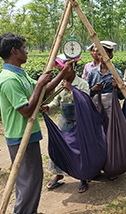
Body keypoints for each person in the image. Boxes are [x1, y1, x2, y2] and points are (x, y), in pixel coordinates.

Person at [0, 32, 74, 214]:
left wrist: (62, 72)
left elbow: (44, 90)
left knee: (32, 179)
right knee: (28, 181)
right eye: (23, 48)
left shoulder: (20, 75)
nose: (27, 52)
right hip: (20, 136)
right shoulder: (9, 79)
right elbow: (26, 110)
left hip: (29, 135)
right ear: (14, 51)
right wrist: (38, 85)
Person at [41, 54, 90, 193]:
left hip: (78, 123)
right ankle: (58, 174)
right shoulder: (60, 84)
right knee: (61, 148)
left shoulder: (82, 84)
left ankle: (83, 178)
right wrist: (48, 107)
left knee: (80, 150)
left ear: (72, 68)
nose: (60, 73)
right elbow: (56, 101)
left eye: (63, 69)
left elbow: (86, 102)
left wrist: (71, 90)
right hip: (64, 122)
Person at [86, 41, 123, 131]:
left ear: (110, 55)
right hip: (95, 110)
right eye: (99, 54)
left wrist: (117, 87)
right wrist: (94, 89)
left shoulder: (117, 73)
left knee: (111, 132)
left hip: (111, 111)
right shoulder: (92, 73)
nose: (101, 57)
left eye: (104, 54)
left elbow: (122, 96)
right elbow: (86, 93)